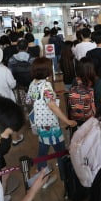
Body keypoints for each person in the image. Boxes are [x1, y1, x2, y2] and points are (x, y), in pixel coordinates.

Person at [26, 58, 77, 188]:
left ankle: (42, 176)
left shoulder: (33, 83)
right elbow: (53, 106)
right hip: (51, 126)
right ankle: (66, 179)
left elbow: (28, 101)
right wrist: (67, 121)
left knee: (43, 150)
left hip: (40, 123)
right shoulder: (46, 86)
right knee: (60, 152)